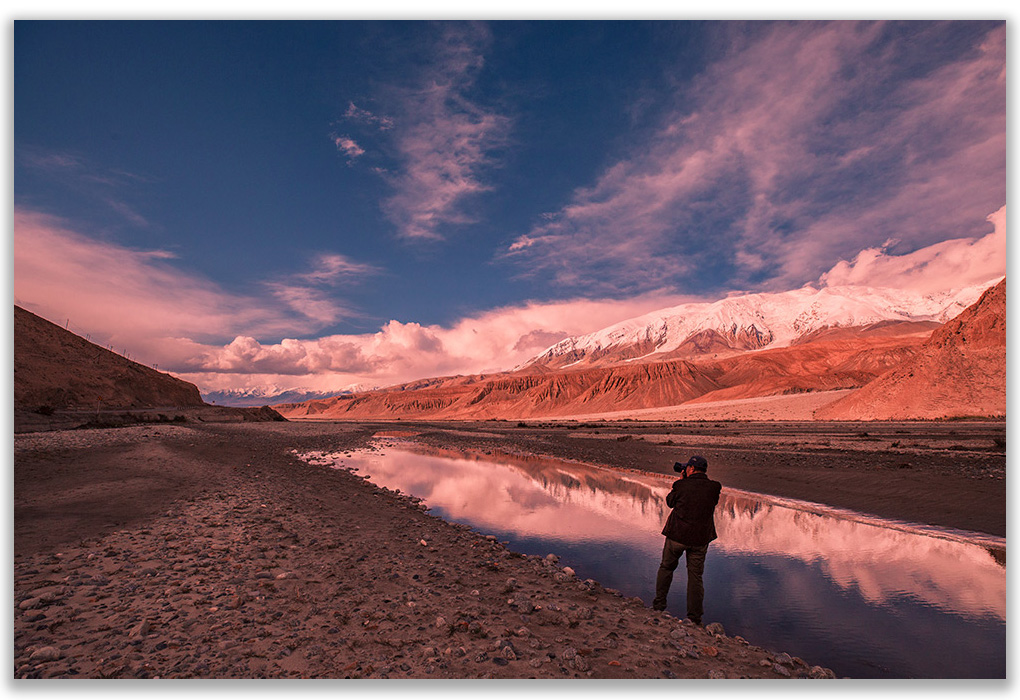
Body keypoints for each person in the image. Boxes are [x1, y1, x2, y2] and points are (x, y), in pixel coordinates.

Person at [652, 455, 722, 624]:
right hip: (700, 539)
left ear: (690, 469)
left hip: (677, 535)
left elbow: (670, 502)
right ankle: (694, 617)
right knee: (695, 576)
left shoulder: (680, 485)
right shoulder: (714, 487)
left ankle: (659, 605)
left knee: (666, 567)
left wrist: (681, 481)